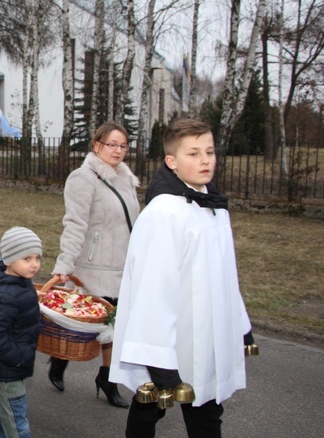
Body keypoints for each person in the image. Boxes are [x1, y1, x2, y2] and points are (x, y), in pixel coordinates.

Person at [110, 118, 256, 437]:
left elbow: (225, 276)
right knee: (151, 403)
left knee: (206, 410)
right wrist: (159, 361)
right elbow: (153, 290)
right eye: (193, 153)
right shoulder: (164, 214)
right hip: (175, 339)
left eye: (209, 151)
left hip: (206, 334)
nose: (205, 160)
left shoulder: (214, 205)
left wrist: (240, 325)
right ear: (172, 161)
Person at [48, 121, 139, 408]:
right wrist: (65, 263)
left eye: (123, 145)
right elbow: (75, 224)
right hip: (92, 266)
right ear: (97, 145)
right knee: (83, 325)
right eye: (111, 144)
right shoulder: (82, 178)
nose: (118, 150)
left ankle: (107, 379)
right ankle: (60, 358)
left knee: (115, 327)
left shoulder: (126, 179)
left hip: (122, 267)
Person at [0, 226, 42, 438]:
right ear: (9, 260)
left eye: (38, 258)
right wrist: (18, 357)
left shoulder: (21, 284)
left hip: (14, 364)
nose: (34, 264)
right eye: (27, 258)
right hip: (7, 368)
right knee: (17, 423)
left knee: (2, 414)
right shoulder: (4, 295)